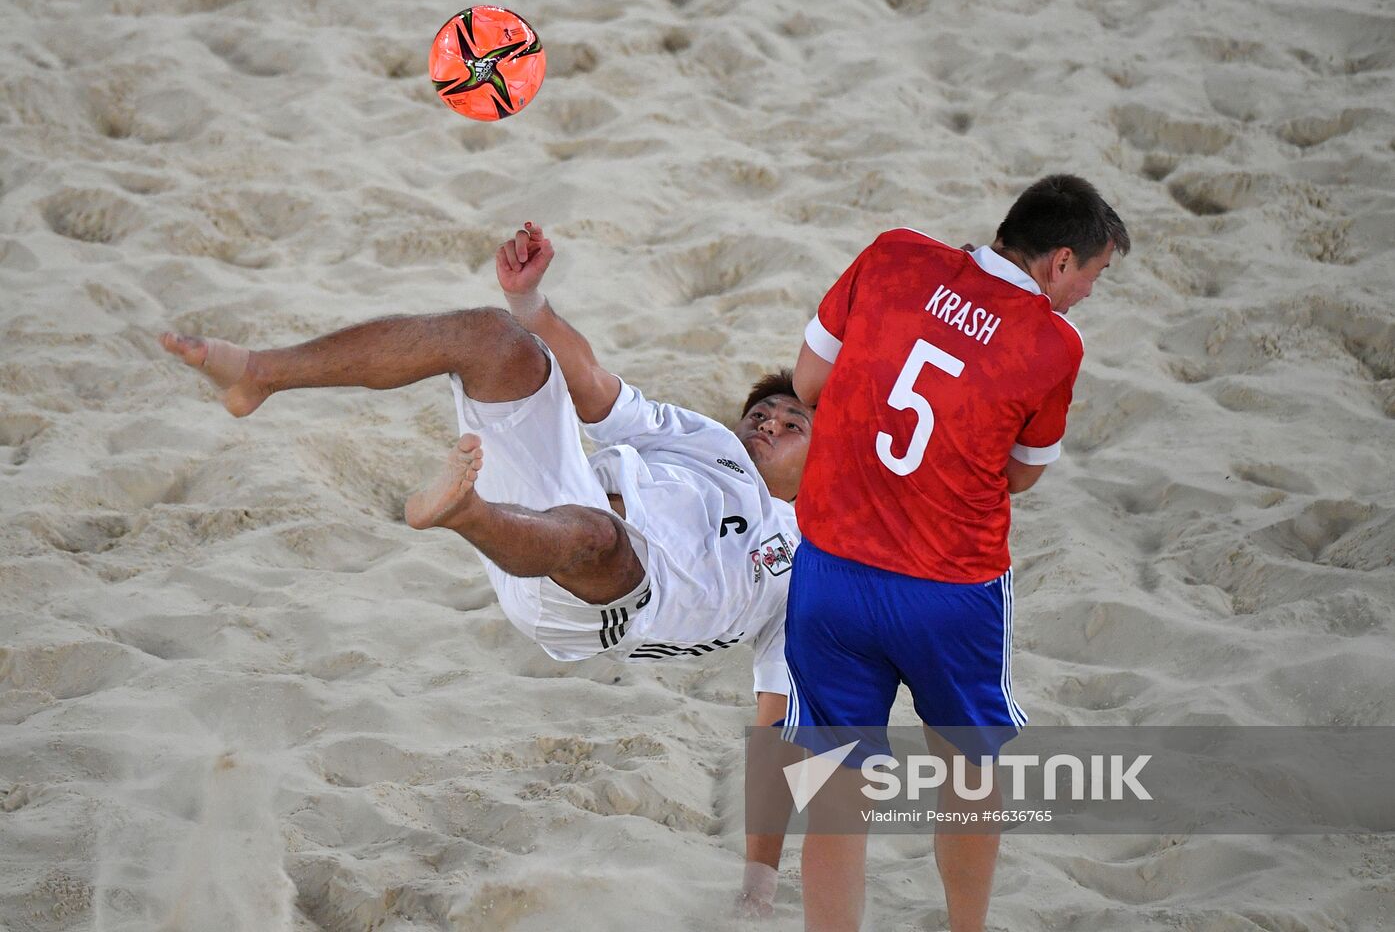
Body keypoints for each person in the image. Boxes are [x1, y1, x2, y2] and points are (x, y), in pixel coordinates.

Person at [158, 223, 808, 915]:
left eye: (791, 422)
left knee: (598, 535)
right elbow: (591, 389)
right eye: (760, 411)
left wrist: (758, 884)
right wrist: (530, 304)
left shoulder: (813, 565)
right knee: (491, 337)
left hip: (602, 601)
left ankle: (462, 510)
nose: (764, 422)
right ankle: (259, 373)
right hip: (555, 502)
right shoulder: (710, 442)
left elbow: (777, 723)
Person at [784, 175, 1130, 932]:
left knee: (836, 793)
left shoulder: (892, 255)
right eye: (1095, 276)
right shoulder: (1052, 341)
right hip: (949, 588)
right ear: (1059, 262)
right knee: (968, 775)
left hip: (832, 570)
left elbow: (807, 382)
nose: (1087, 296)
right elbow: (1020, 475)